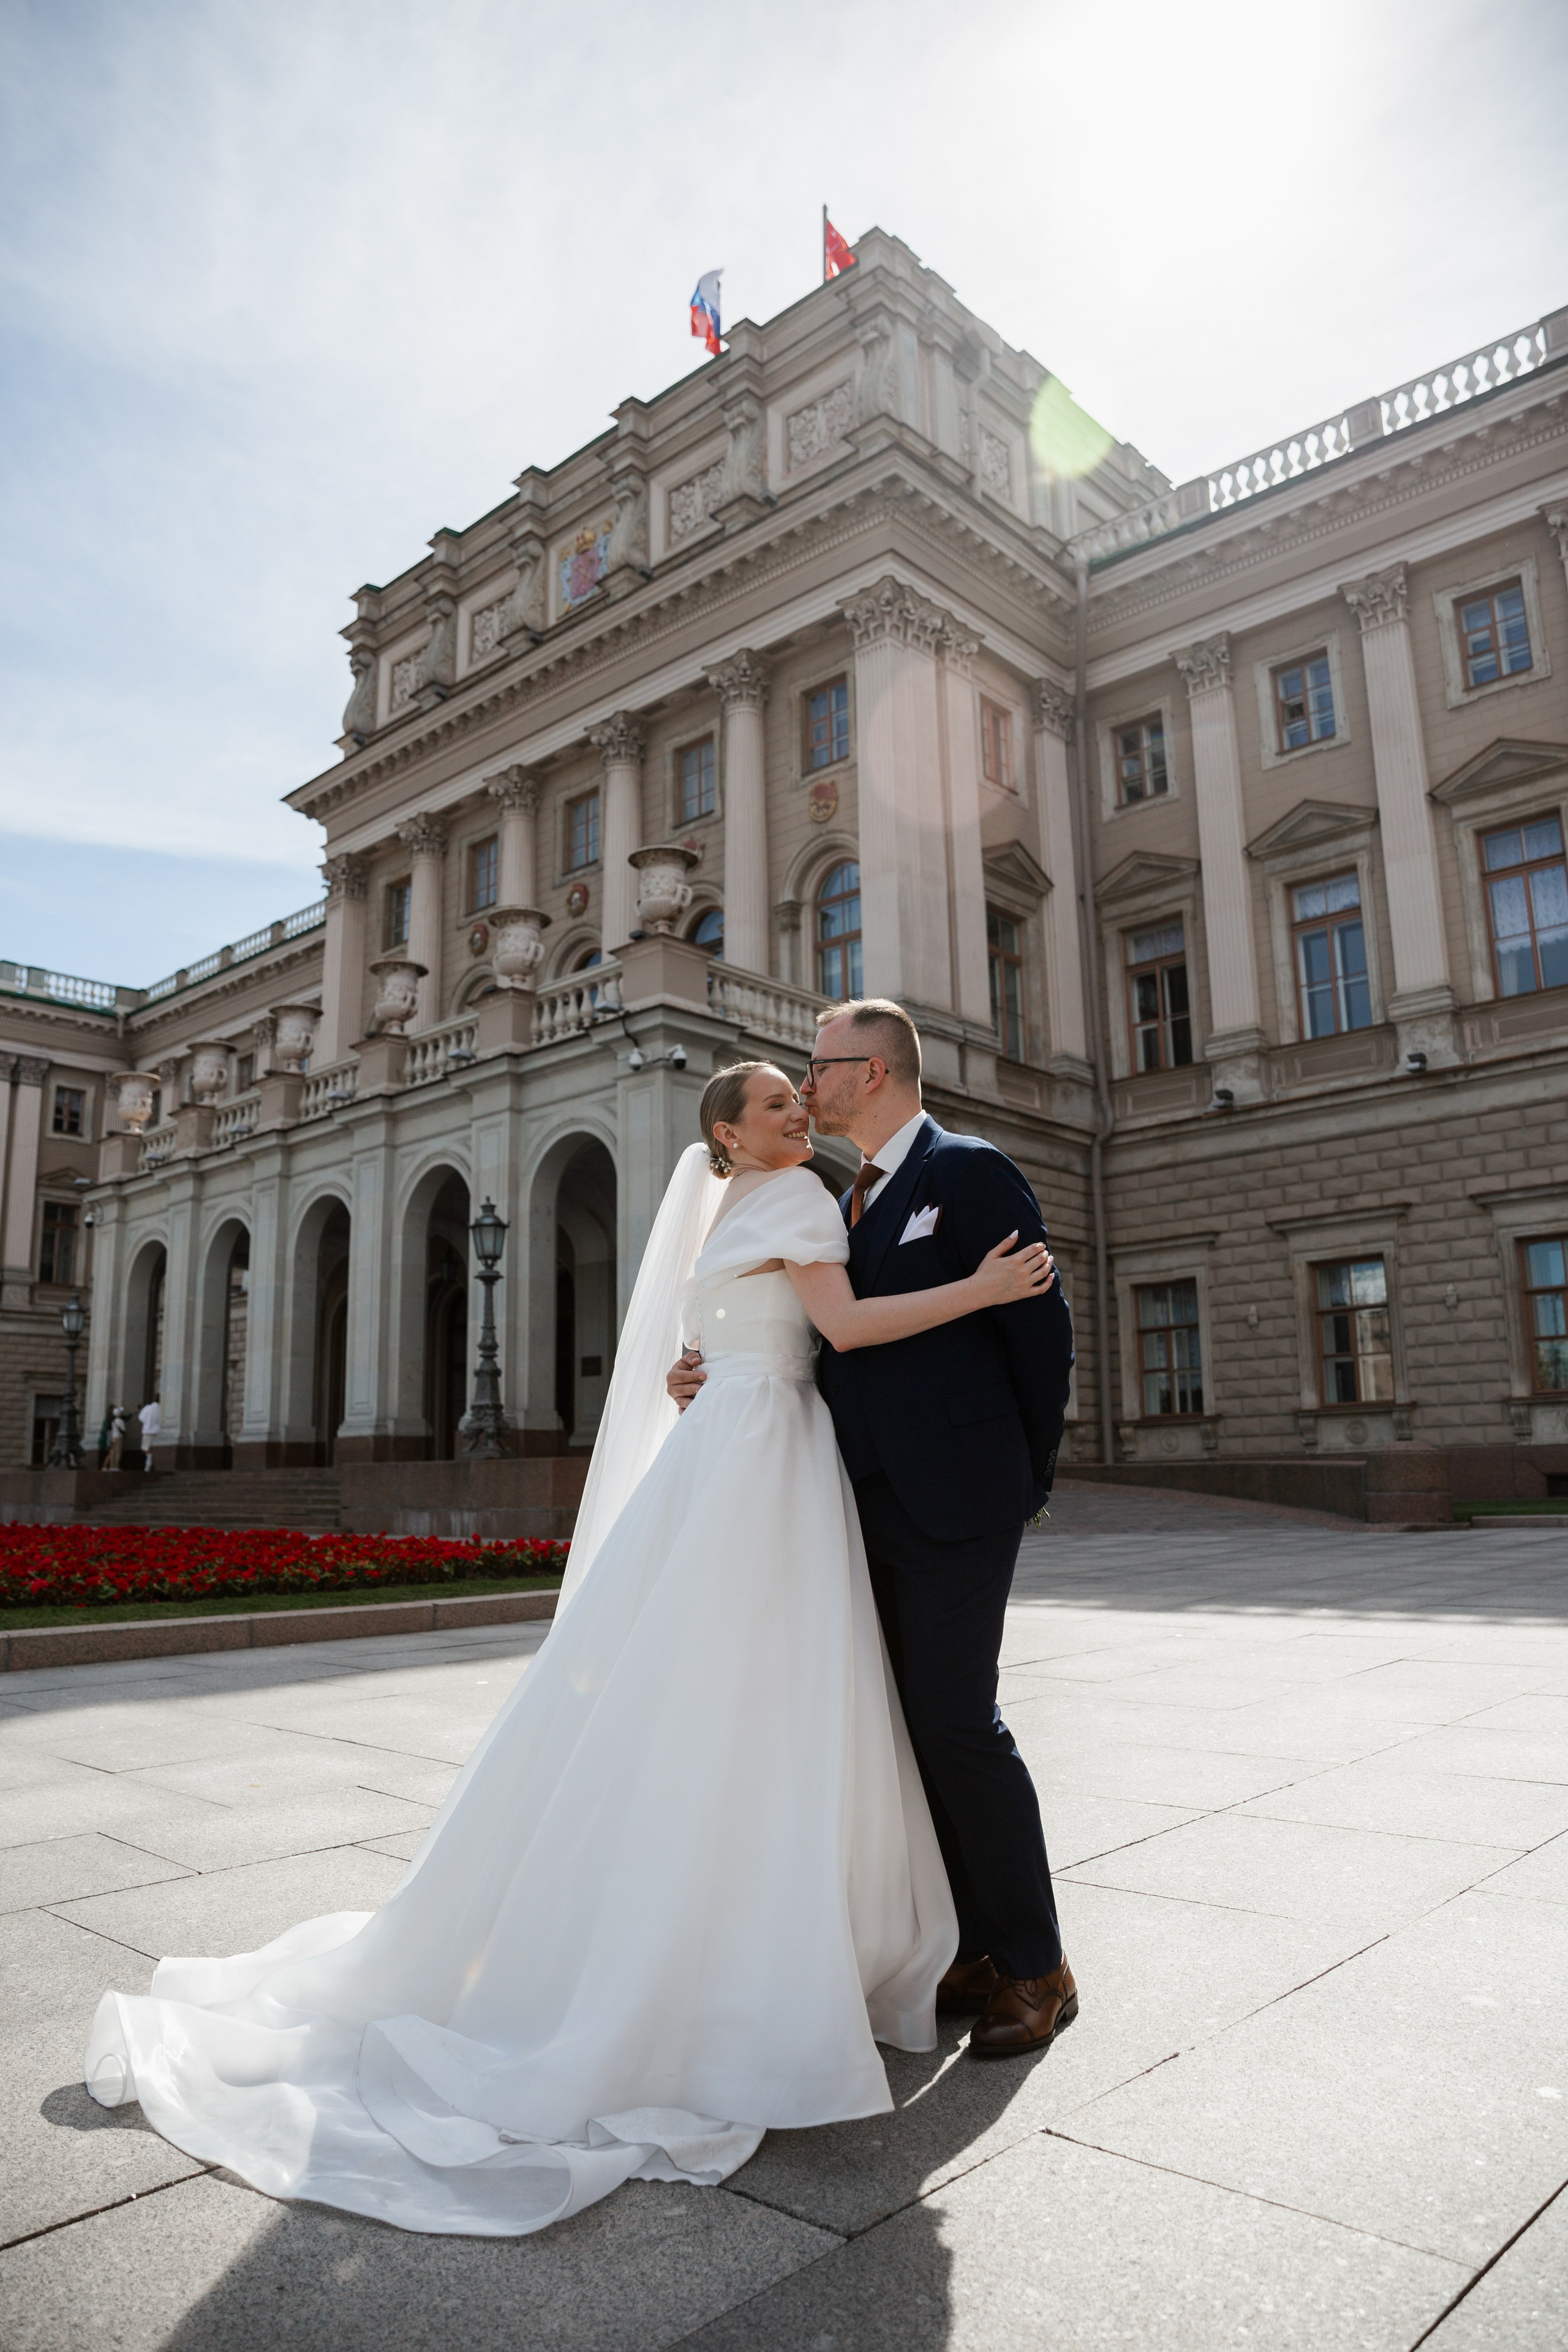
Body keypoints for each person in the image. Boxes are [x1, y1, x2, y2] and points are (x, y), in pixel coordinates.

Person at [84, 1062, 1054, 2239]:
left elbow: (752, 1341)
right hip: (776, 1462)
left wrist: (714, 1373)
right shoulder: (806, 1199)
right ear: (730, 1137)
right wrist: (981, 1285)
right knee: (785, 1701)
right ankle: (785, 1951)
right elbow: (844, 1328)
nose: (803, 1110)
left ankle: (703, 1929)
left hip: (730, 1455)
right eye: (779, 1107)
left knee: (696, 1694)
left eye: (810, 1095)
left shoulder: (729, 1209)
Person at [669, 998, 1076, 2059]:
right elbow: (814, 1338)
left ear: (876, 1072)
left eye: (821, 1066)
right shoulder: (839, 1198)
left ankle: (1038, 1966)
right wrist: (713, 1374)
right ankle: (975, 1947)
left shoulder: (968, 1169)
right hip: (853, 1497)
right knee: (903, 1730)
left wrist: (1023, 1473)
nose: (808, 1085)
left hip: (957, 1500)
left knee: (957, 1723)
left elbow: (1040, 1332)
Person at [137, 1395, 159, 1472]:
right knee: (153, 1448)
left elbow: (141, 1418)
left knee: (145, 1448)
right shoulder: (161, 1409)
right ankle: (150, 1461)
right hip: (157, 1432)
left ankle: (149, 1460)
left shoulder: (148, 1408)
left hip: (147, 1431)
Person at [101, 1405, 126, 1471]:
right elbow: (124, 1430)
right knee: (118, 1453)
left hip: (113, 1438)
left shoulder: (113, 1421)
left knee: (113, 1452)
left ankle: (112, 1466)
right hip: (118, 1438)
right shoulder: (121, 1421)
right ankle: (116, 1467)